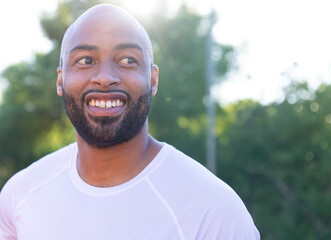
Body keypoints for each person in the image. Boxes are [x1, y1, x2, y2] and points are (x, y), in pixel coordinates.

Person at [0, 4, 260, 240]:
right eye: (86, 61)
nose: (104, 77)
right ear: (60, 80)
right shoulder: (19, 197)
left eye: (127, 60)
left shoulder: (213, 211)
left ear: (153, 79)